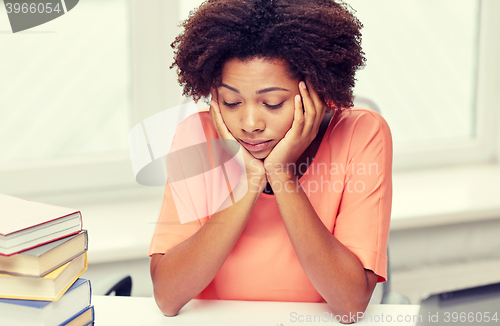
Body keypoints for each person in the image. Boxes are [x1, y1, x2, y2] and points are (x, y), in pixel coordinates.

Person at [149, 0, 392, 322]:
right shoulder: (198, 135)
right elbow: (168, 297)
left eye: (273, 103)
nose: (249, 123)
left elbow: (350, 305)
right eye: (231, 102)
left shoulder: (360, 133)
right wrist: (250, 179)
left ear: (317, 90)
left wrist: (280, 174)